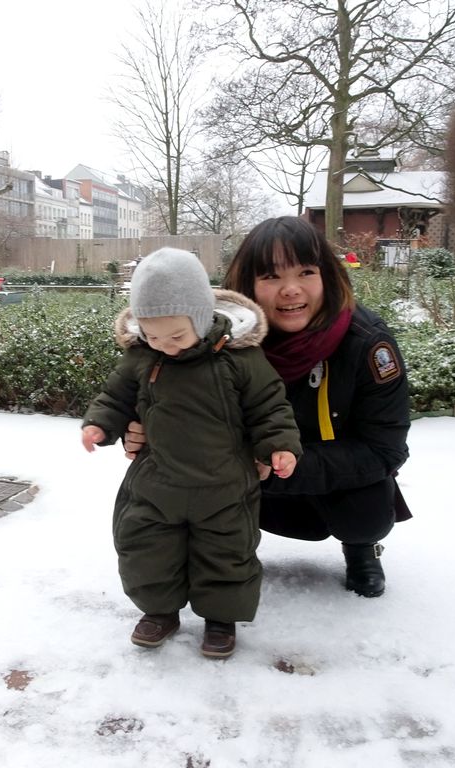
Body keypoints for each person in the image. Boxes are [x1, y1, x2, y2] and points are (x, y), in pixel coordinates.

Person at [124, 217, 411, 597]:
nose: (291, 290)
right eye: (271, 277)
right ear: (249, 286)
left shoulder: (367, 344)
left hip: (323, 480)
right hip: (244, 478)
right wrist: (147, 433)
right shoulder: (215, 344)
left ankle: (362, 548)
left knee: (366, 509)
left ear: (327, 275)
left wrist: (282, 464)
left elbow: (385, 449)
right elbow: (170, 407)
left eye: (306, 272)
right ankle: (209, 554)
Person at [81, 247, 303, 659]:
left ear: (200, 318)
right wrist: (100, 424)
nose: (164, 346)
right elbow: (116, 396)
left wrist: (279, 446)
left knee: (226, 553)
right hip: (157, 482)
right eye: (153, 336)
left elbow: (270, 406)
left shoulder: (240, 359)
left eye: (176, 336)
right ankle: (159, 611)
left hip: (224, 484)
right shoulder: (142, 357)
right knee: (146, 547)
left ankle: (221, 618)